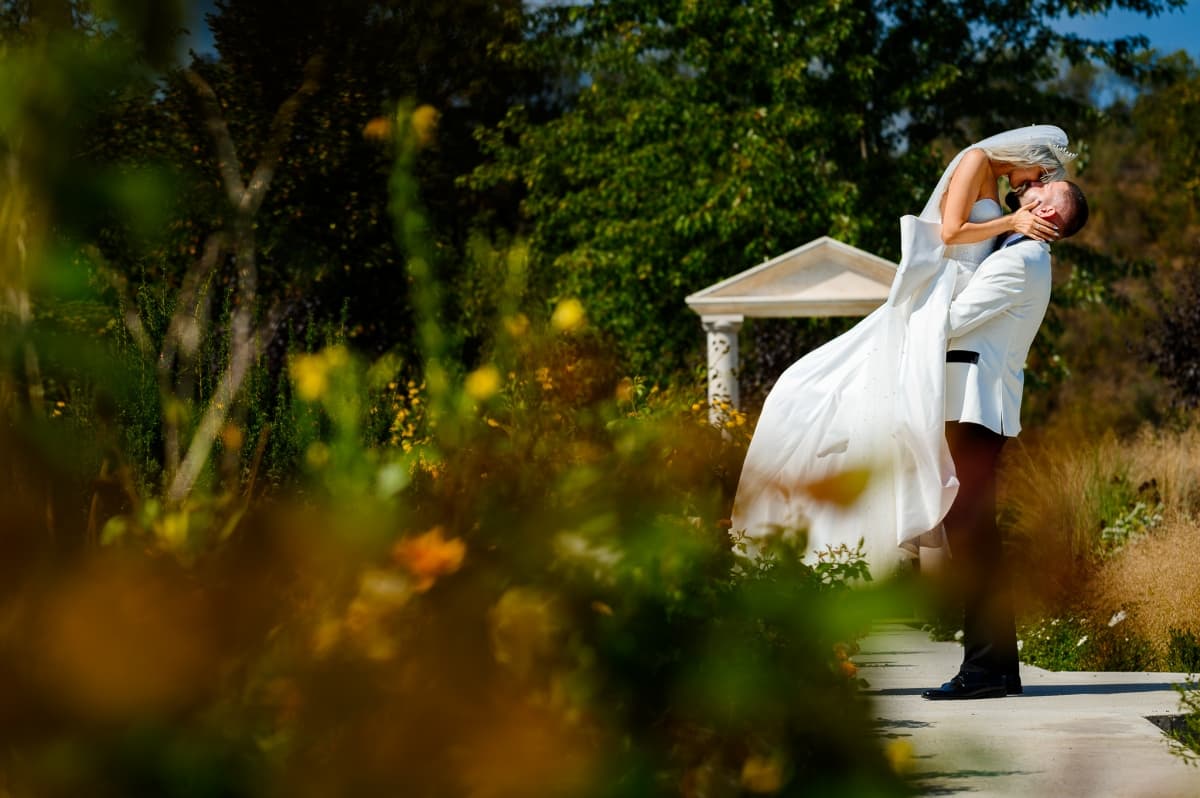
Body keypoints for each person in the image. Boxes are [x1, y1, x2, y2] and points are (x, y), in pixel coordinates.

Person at [730, 126, 1075, 573]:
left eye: (1042, 182)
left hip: (958, 308)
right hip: (945, 303)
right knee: (824, 390)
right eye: (1040, 174)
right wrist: (1011, 222)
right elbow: (951, 232)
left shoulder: (1011, 212)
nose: (1033, 185)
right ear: (1027, 155)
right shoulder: (975, 161)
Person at [922, 177, 1089, 699]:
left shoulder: (1022, 260)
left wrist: (911, 308)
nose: (1033, 188)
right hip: (971, 409)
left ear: (1051, 216)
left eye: (1044, 191)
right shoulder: (1014, 250)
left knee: (975, 544)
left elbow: (951, 321)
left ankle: (986, 671)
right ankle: (996, 670)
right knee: (976, 541)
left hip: (974, 410)